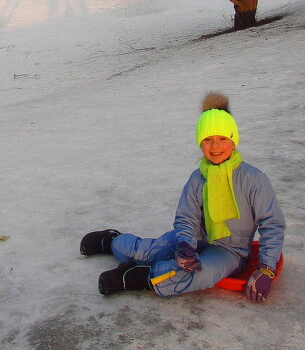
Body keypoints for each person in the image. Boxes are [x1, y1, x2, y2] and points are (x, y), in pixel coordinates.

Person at [80, 93, 285, 303]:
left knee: (197, 273)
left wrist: (266, 268)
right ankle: (113, 240)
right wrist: (186, 248)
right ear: (200, 143)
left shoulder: (253, 179)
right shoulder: (198, 179)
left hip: (230, 252)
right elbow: (187, 217)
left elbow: (272, 224)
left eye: (223, 139)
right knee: (144, 251)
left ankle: (137, 276)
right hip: (195, 239)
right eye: (208, 140)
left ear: (233, 140)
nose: (215, 147)